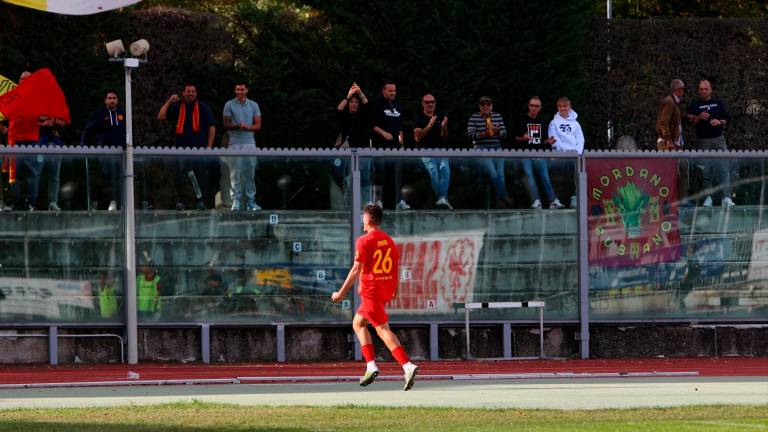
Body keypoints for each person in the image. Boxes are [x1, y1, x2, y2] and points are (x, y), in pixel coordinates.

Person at [331, 204, 418, 391]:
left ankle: (407, 365)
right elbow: (395, 265)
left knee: (382, 329)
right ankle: (371, 366)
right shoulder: (388, 240)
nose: (362, 219)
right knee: (358, 323)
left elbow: (356, 269)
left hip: (371, 292)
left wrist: (341, 292)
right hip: (383, 291)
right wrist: (395, 288)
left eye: (363, 216)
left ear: (369, 219)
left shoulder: (363, 241)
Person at [157, 83, 216, 210]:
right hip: (181, 149)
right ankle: (180, 201)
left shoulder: (204, 108)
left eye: (193, 91)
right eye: (188, 91)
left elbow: (212, 126)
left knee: (199, 177)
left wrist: (209, 147)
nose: (190, 93)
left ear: (196, 93)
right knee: (180, 177)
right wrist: (169, 101)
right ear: (183, 93)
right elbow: (161, 116)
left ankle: (200, 201)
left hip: (199, 150)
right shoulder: (178, 107)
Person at [686, 80, 734, 208]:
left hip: (718, 139)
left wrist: (719, 121)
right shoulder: (695, 105)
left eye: (706, 89)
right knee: (705, 170)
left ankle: (726, 197)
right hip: (703, 141)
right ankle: (708, 198)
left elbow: (727, 118)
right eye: (701, 89)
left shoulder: (718, 103)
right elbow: (689, 122)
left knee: (723, 167)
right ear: (698, 90)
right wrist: (699, 117)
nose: (703, 91)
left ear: (710, 89)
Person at [512, 96, 564, 209]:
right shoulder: (521, 120)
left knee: (545, 177)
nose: (533, 108)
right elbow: (514, 139)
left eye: (536, 106)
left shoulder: (543, 122)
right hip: (525, 154)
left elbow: (544, 140)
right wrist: (524, 138)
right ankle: (536, 201)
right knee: (529, 174)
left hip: (540, 155)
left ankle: (553, 201)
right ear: (528, 106)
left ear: (540, 108)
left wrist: (548, 142)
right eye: (531, 105)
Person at [81, 90, 126, 211]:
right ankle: (100, 203)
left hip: (120, 153)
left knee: (119, 177)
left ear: (117, 100)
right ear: (105, 100)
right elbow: (88, 130)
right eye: (109, 98)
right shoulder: (99, 114)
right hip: (104, 152)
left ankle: (116, 202)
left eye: (114, 98)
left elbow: (128, 132)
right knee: (106, 176)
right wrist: (83, 146)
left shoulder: (123, 113)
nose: (112, 100)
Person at [371, 81, 411, 210]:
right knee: (379, 174)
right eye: (390, 90)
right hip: (380, 147)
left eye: (394, 90)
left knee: (396, 175)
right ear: (383, 91)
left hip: (395, 147)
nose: (393, 93)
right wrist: (384, 133)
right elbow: (371, 124)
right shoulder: (377, 104)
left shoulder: (398, 105)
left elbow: (400, 127)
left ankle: (398, 201)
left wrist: (402, 143)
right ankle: (377, 201)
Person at [467, 96, 513, 208]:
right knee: (493, 172)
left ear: (492, 105)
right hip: (482, 148)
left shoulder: (497, 116)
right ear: (480, 106)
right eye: (483, 104)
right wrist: (485, 134)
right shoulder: (474, 117)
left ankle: (500, 204)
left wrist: (496, 132)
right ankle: (504, 197)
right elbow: (470, 135)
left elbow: (505, 134)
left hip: (497, 147)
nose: (486, 106)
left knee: (501, 175)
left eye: (488, 104)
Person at [223, 82, 262, 211]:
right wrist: (237, 126)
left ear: (247, 90)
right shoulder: (229, 104)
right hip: (234, 143)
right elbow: (226, 124)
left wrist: (247, 127)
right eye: (238, 89)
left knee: (249, 173)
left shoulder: (254, 105)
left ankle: (251, 201)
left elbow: (258, 125)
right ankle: (236, 201)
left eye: (242, 89)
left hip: (250, 143)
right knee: (235, 173)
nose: (240, 92)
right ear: (235, 91)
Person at [333, 83, 370, 205]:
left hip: (362, 152)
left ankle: (363, 203)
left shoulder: (363, 116)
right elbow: (338, 110)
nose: (354, 104)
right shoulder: (345, 117)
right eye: (351, 102)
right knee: (341, 173)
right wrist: (348, 96)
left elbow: (368, 106)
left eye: (356, 102)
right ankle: (348, 196)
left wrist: (360, 93)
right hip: (347, 152)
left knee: (363, 180)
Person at [413, 93, 451, 209]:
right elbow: (417, 137)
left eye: (432, 102)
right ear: (422, 104)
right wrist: (429, 125)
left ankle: (442, 198)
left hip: (440, 150)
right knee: (434, 171)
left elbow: (445, 138)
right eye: (427, 102)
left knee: (445, 169)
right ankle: (442, 198)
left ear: (435, 103)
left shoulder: (440, 116)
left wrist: (444, 127)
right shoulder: (418, 117)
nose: (430, 104)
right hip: (425, 151)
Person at [656, 79, 690, 203]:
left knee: (679, 170)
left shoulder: (674, 103)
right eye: (683, 89)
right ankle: (670, 201)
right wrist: (669, 141)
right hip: (669, 144)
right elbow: (663, 123)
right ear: (678, 90)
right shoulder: (670, 102)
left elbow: (674, 119)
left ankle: (676, 200)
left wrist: (688, 117)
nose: (684, 92)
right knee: (670, 172)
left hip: (675, 143)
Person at [548, 97, 584, 208]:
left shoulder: (576, 124)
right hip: (560, 156)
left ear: (570, 107)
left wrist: (576, 152)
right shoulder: (553, 123)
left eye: (565, 106)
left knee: (576, 172)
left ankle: (574, 198)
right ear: (557, 107)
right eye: (560, 106)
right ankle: (560, 199)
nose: (563, 108)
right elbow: (553, 139)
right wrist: (565, 151)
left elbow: (580, 139)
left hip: (574, 156)